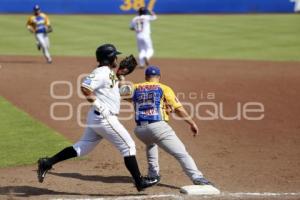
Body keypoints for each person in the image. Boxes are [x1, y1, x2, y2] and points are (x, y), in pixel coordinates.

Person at [37, 44, 158, 192]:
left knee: (83, 147)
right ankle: (139, 182)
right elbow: (85, 87)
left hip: (97, 118)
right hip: (104, 117)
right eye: (115, 56)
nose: (117, 58)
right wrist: (100, 106)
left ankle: (47, 162)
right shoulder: (100, 73)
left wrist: (121, 74)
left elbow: (117, 91)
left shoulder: (109, 72)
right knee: (129, 146)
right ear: (110, 57)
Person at [129, 66, 213, 185]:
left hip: (140, 131)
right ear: (159, 77)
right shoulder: (164, 88)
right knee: (181, 153)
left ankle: (153, 175)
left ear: (146, 77)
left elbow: (124, 95)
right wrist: (191, 123)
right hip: (158, 128)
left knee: (151, 143)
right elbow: (179, 109)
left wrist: (121, 76)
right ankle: (197, 177)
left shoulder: (136, 87)